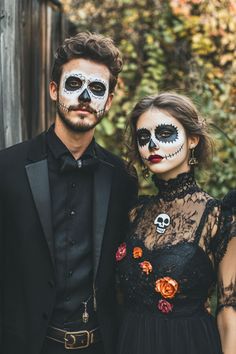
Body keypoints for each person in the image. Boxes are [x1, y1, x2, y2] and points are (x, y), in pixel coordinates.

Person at [0, 32, 138, 354]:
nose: (86, 97)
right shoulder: (6, 168)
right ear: (53, 89)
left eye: (98, 89)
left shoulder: (123, 179)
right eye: (74, 84)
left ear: (110, 100)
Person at [116, 92, 236, 354]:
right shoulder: (135, 212)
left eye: (166, 133)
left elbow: (229, 314)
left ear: (192, 139)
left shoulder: (219, 217)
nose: (152, 145)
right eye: (144, 137)